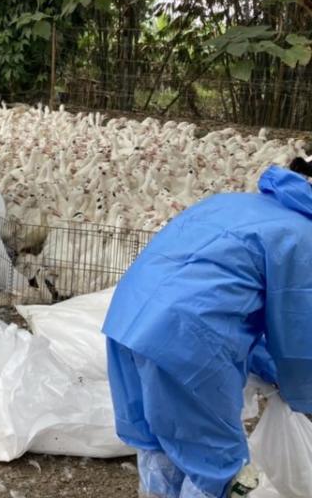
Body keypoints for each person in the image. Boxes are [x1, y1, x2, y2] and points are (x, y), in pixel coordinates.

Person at [102, 159, 312, 498]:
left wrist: (269, 368)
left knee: (162, 443)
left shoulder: (238, 203)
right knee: (218, 468)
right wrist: (303, 396)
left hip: (128, 321)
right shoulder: (302, 238)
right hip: (187, 344)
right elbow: (298, 341)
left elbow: (226, 297)